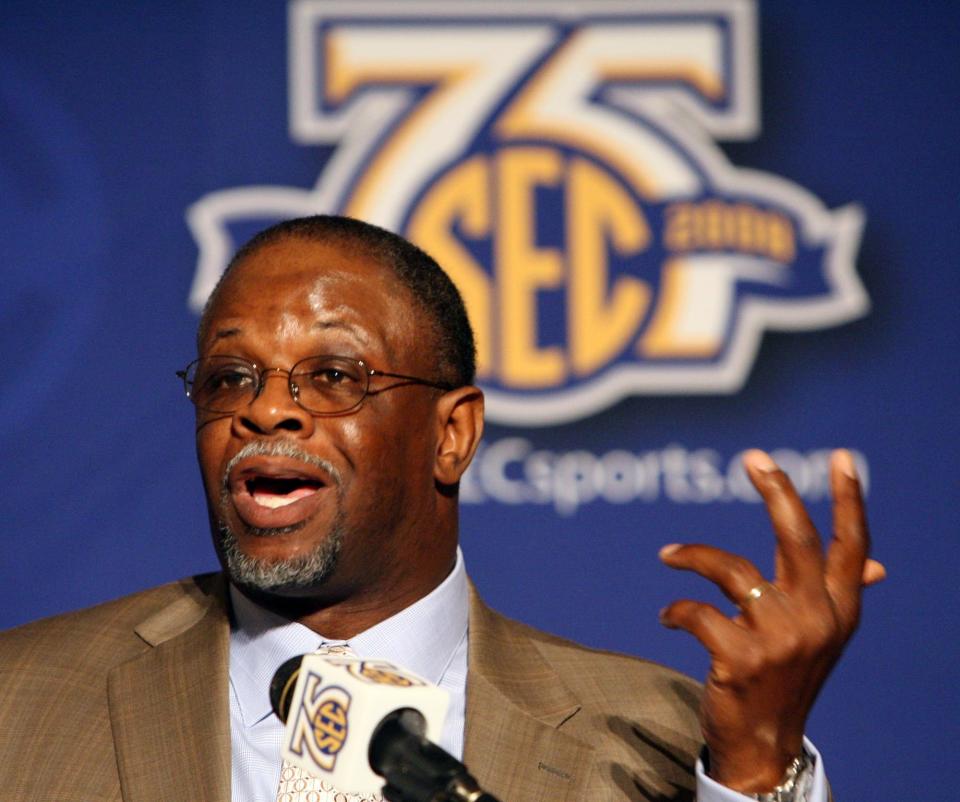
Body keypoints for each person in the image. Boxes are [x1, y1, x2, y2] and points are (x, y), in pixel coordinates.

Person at [0, 215, 883, 802]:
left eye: (334, 376)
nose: (265, 410)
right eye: (231, 377)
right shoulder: (22, 702)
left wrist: (757, 766)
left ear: (452, 435)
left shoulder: (654, 741)